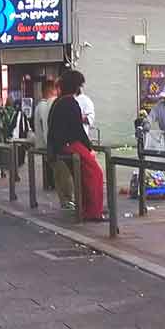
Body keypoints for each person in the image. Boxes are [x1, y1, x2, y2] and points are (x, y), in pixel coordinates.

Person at [48, 70, 104, 220]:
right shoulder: (71, 103)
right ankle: (93, 211)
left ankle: (87, 208)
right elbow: (78, 131)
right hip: (70, 145)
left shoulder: (58, 102)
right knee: (95, 174)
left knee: (83, 177)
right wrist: (90, 149)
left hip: (58, 146)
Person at [33, 80, 57, 190]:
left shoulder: (40, 105)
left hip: (43, 143)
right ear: (51, 90)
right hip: (46, 144)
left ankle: (50, 183)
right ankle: (51, 184)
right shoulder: (44, 105)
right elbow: (45, 126)